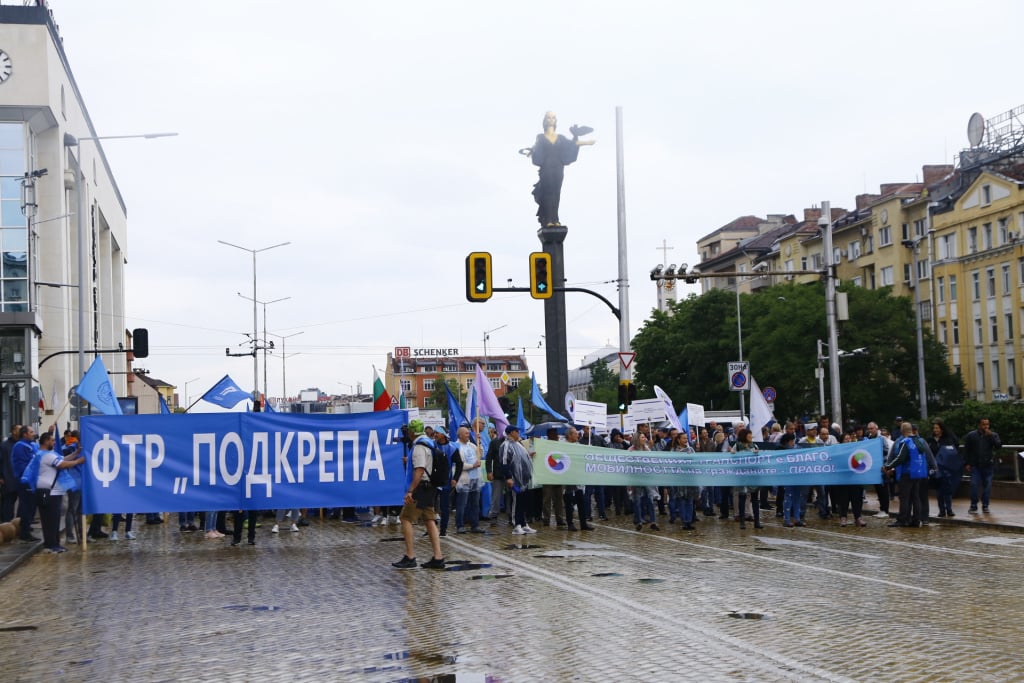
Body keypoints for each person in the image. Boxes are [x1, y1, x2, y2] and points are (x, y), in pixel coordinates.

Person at [392, 419, 445, 569]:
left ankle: (410, 556)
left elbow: (420, 469)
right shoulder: (428, 442)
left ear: (412, 432)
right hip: (429, 487)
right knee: (429, 520)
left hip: (420, 488)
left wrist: (410, 490)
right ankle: (438, 557)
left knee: (405, 518)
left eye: (409, 431)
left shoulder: (419, 446)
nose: (407, 433)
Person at [526, 111, 595, 226]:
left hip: (558, 168)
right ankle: (548, 220)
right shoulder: (541, 137)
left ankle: (555, 219)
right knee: (548, 192)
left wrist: (587, 142)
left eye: (553, 118)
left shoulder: (561, 138)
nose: (551, 120)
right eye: (548, 118)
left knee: (556, 193)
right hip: (546, 169)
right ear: (545, 120)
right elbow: (536, 147)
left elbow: (572, 144)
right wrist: (532, 151)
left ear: (555, 120)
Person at [29, 432, 84, 553]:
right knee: (50, 519)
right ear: (46, 441)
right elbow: (62, 464)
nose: (54, 442)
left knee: (53, 519)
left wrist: (75, 453)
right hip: (49, 491)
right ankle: (51, 545)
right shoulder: (46, 455)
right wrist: (78, 461)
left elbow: (62, 459)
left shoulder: (45, 454)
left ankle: (54, 544)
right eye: (52, 440)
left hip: (50, 491)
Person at [883, 422, 936, 528]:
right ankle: (916, 520)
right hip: (918, 473)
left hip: (907, 473)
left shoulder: (906, 441)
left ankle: (902, 520)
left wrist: (888, 466)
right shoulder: (919, 441)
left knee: (904, 497)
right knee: (916, 497)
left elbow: (900, 458)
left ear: (902, 431)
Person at [501, 425, 537, 535]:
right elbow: (504, 462)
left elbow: (523, 458)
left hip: (524, 480)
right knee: (516, 502)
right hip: (515, 480)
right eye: (517, 431)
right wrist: (508, 477)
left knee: (523, 502)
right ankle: (516, 525)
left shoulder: (518, 444)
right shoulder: (506, 445)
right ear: (511, 433)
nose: (518, 433)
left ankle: (523, 523)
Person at [963, 417, 1000, 514]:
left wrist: (991, 436)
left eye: (987, 424)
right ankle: (973, 505)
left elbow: (998, 446)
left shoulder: (993, 435)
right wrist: (967, 463)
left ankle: (985, 505)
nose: (986, 426)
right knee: (974, 485)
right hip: (975, 466)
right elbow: (967, 450)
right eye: (984, 424)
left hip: (988, 465)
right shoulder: (971, 435)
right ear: (979, 425)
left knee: (987, 486)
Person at [12, 425, 40, 541]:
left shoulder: (31, 445)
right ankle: (24, 532)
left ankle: (27, 528)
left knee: (31, 506)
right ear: (25, 434)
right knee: (26, 506)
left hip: (32, 481)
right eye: (31, 432)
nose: (33, 434)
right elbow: (25, 465)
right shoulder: (20, 446)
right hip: (25, 481)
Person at [928, 418, 962, 517]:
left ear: (941, 429)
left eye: (937, 428)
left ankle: (949, 509)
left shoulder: (948, 438)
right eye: (934, 428)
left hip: (947, 467)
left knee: (947, 489)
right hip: (936, 468)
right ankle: (942, 510)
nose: (935, 430)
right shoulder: (930, 439)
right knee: (939, 490)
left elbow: (955, 447)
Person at [453, 426, 483, 534]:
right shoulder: (456, 446)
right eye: (466, 433)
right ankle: (460, 525)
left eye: (468, 433)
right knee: (462, 504)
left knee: (475, 503)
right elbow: (459, 465)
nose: (468, 435)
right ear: (460, 435)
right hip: (464, 479)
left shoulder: (472, 445)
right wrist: (472, 466)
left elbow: (480, 455)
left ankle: (475, 525)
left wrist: (479, 442)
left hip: (475, 478)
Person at [733, 428, 763, 530]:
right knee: (742, 498)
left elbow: (760, 459)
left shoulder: (754, 446)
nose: (751, 437)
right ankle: (742, 520)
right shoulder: (737, 446)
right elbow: (733, 458)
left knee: (755, 499)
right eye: (749, 435)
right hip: (742, 476)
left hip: (753, 475)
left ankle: (757, 521)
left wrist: (757, 454)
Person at [864, 421, 894, 518]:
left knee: (883, 489)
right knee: (878, 490)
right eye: (869, 429)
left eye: (872, 428)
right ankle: (881, 509)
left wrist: (876, 449)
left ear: (876, 429)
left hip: (882, 468)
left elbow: (886, 450)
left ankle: (885, 510)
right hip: (873, 468)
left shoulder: (881, 439)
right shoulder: (868, 439)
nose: (870, 430)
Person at [0, 424, 19, 523]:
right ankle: (5, 524)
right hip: (8, 479)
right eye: (19, 429)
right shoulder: (4, 445)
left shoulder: (21, 444)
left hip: (18, 479)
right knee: (7, 503)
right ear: (13, 431)